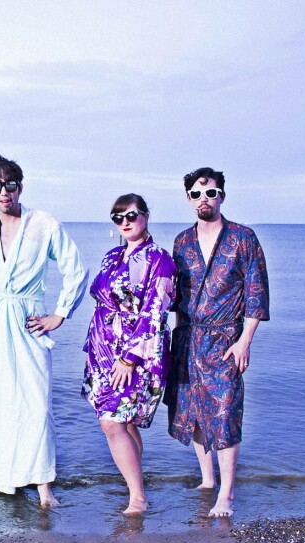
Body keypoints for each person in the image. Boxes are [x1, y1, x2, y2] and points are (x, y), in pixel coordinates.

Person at [0, 154, 88, 507]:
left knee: (35, 402)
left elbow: (75, 269)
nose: (4, 193)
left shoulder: (43, 224)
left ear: (20, 188)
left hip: (29, 321)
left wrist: (60, 313)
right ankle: (5, 477)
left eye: (10, 185)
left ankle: (44, 483)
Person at [164, 167, 270, 517]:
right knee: (194, 411)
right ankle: (208, 480)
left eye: (210, 193)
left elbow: (256, 292)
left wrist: (245, 342)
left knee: (225, 413)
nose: (204, 199)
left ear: (221, 196)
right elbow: (177, 295)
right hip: (187, 338)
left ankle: (227, 493)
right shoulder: (182, 242)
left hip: (226, 339)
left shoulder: (243, 238)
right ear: (188, 199)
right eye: (196, 194)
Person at [81, 194, 175, 515]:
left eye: (131, 216)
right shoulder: (112, 255)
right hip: (104, 349)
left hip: (134, 352)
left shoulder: (159, 258)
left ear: (146, 216)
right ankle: (135, 486)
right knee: (125, 422)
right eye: (117, 218)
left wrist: (130, 358)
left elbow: (156, 310)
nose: (124, 222)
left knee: (112, 422)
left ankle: (138, 497)